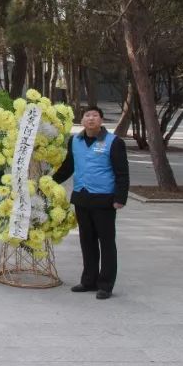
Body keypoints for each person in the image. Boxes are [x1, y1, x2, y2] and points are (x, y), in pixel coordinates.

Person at [53, 106, 129, 300]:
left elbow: (122, 173)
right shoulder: (75, 141)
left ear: (101, 120)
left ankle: (105, 285)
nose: (91, 119)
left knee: (106, 243)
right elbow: (68, 166)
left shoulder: (114, 142)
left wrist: (120, 198)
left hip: (104, 199)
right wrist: (49, 182)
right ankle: (88, 280)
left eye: (95, 116)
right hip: (82, 198)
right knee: (87, 241)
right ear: (82, 120)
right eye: (87, 115)